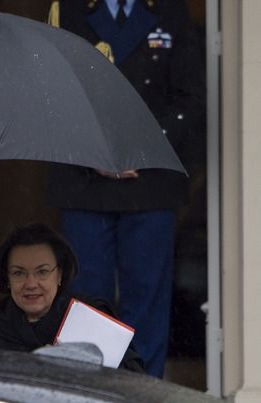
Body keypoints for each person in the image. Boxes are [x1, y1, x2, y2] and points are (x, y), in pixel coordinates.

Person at [46, 0, 205, 377]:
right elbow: (50, 92)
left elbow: (191, 97)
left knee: (146, 308)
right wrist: (93, 151)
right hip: (84, 184)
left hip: (149, 184)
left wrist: (142, 146)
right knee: (87, 305)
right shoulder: (67, 11)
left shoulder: (171, 12)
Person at [0, 223, 144, 372]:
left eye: (42, 272)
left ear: (59, 274)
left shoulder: (91, 317)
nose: (31, 283)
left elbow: (133, 382)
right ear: (7, 278)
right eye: (18, 273)